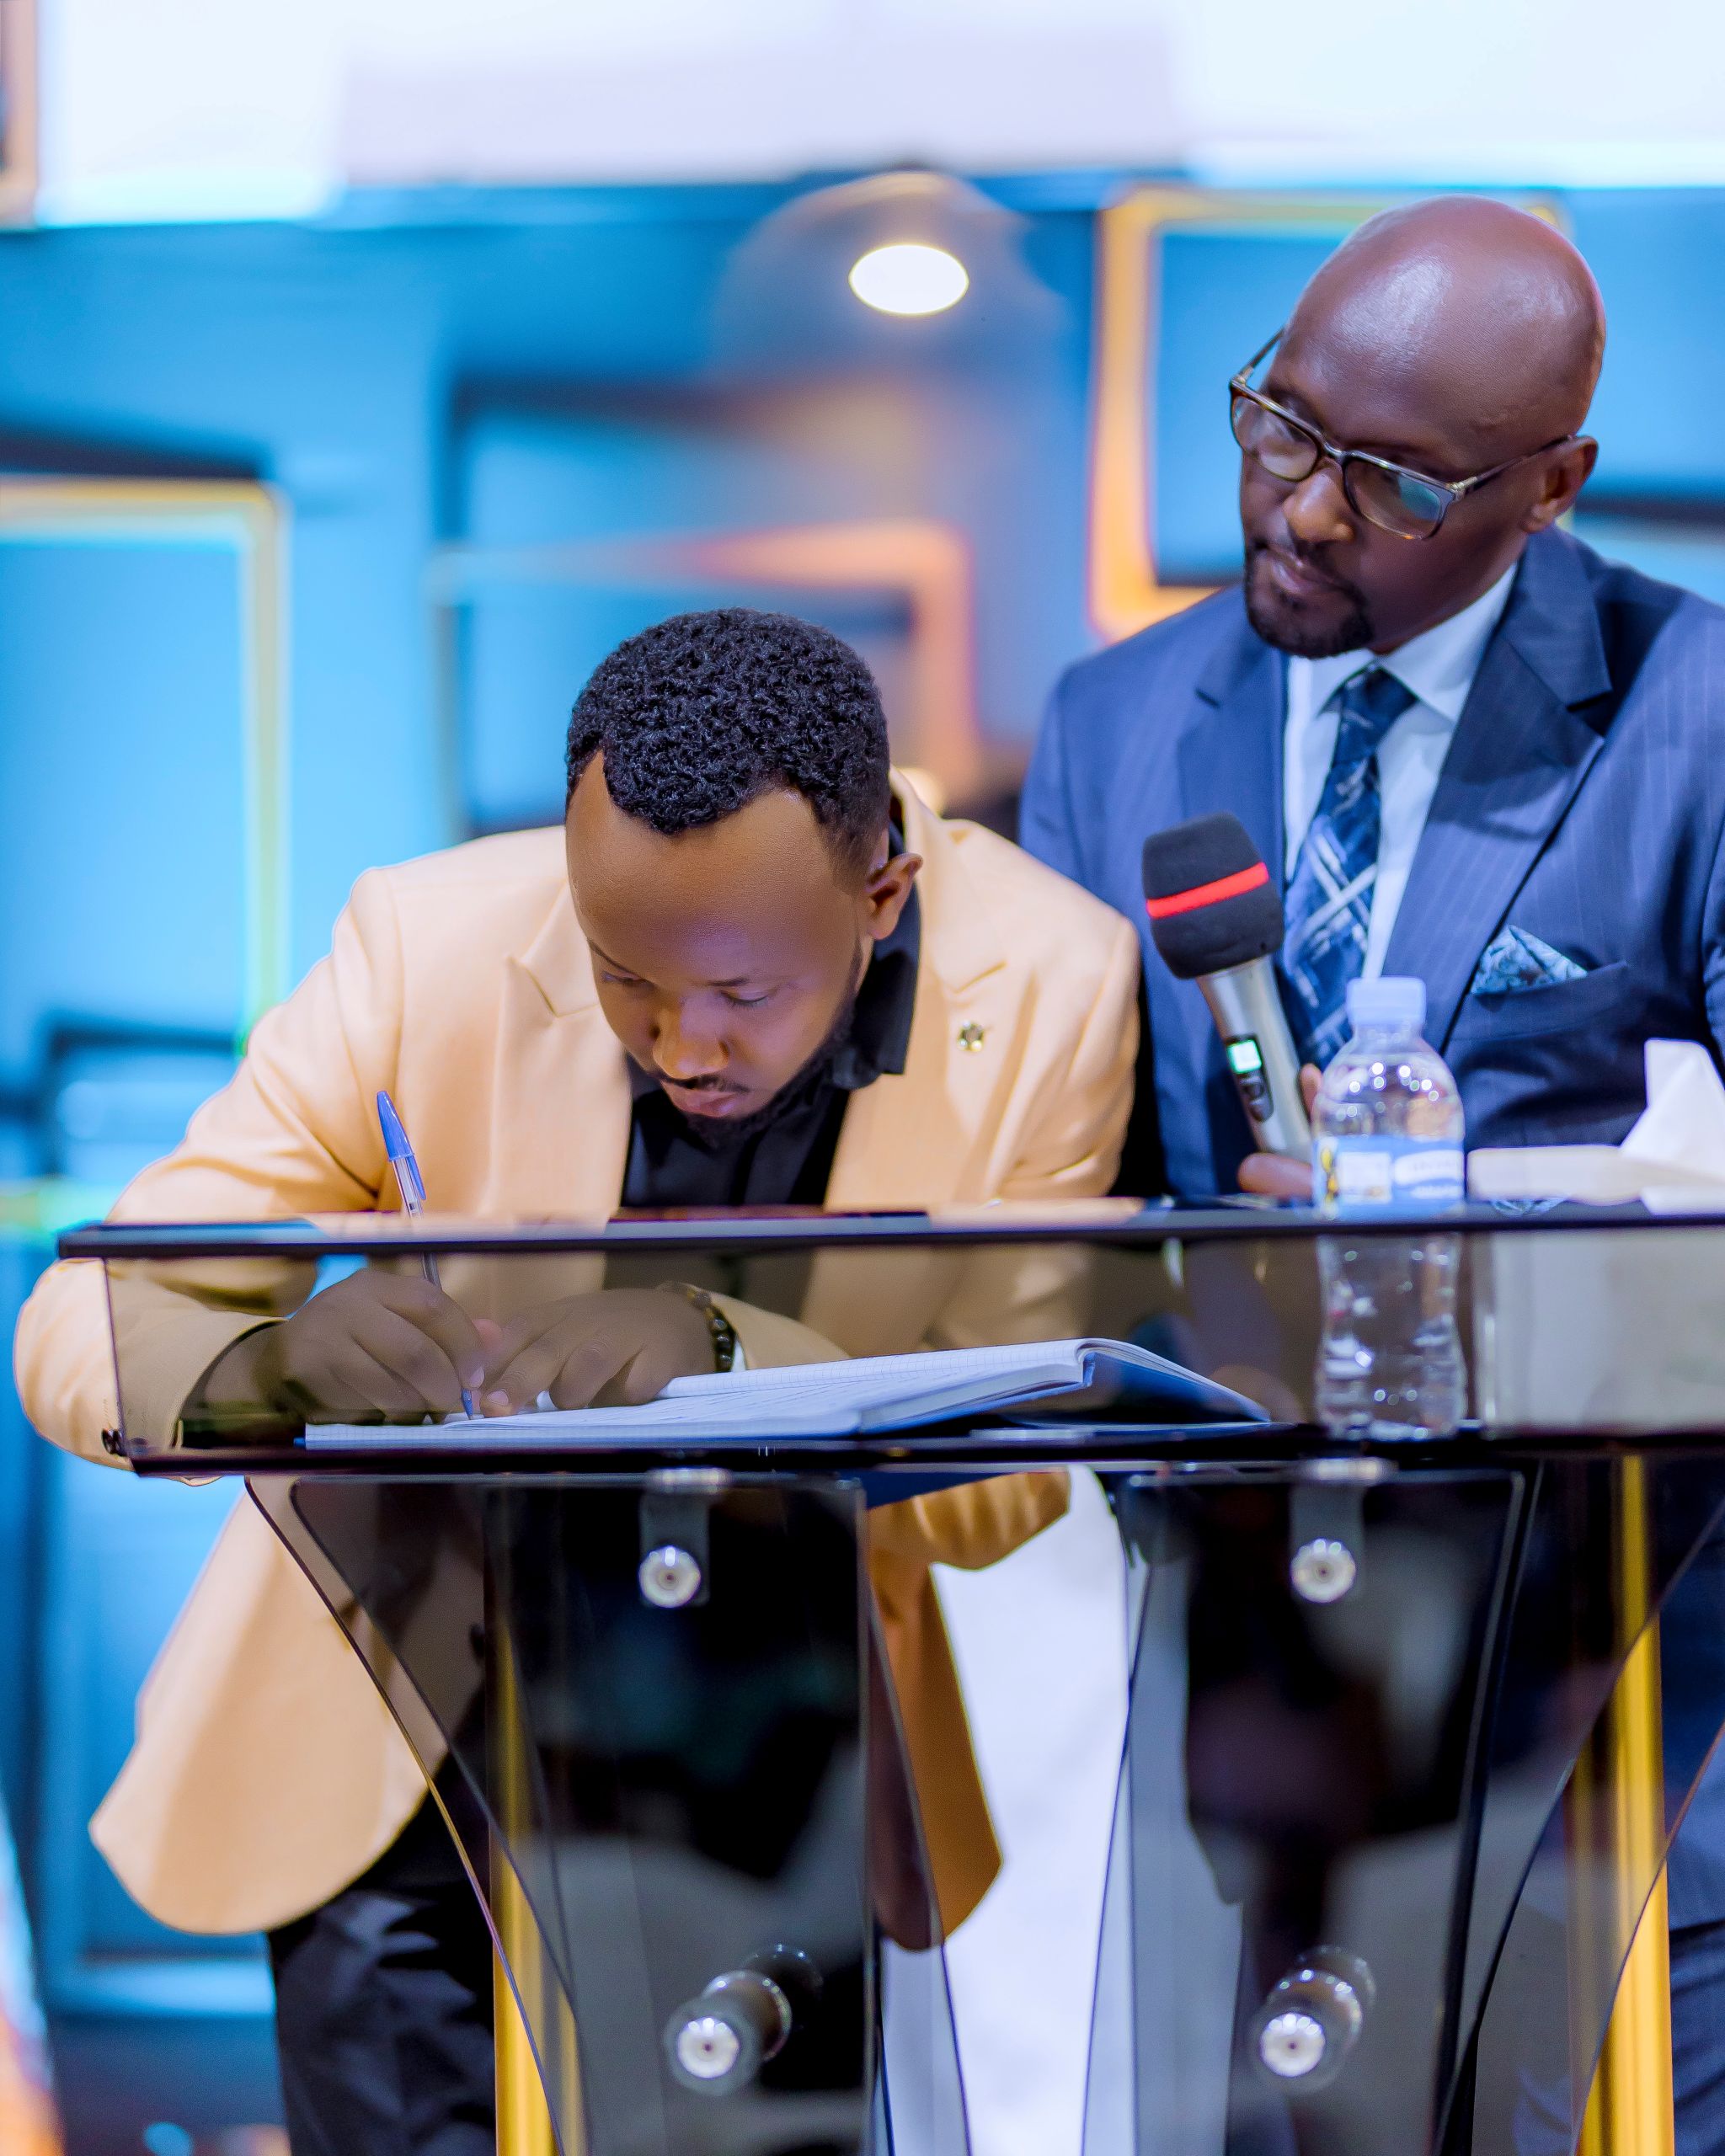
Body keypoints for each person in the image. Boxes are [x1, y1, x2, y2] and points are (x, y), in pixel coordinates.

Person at [17, 606, 1140, 2155]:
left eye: (746, 993)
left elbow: (1011, 1463)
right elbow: (83, 1320)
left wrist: (737, 1357)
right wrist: (261, 1367)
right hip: (418, 1747)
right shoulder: (424, 942)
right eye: (627, 981)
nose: (686, 1045)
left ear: (880, 893)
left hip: (787, 1765)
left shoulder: (1057, 979)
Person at [1021, 195, 1725, 2149]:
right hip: (1245, 1683)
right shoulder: (1113, 720)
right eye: (1277, 426)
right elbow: (1071, 1211)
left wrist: (1478, 1216)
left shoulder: (1697, 718)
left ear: (1550, 486)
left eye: (1395, 480)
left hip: (1614, 1673)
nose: (1304, 509)